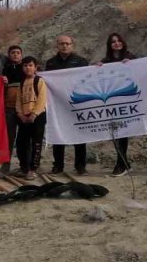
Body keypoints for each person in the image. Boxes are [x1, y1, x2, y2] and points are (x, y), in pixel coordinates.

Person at [45, 35, 90, 175]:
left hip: (77, 103)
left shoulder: (82, 61)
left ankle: (80, 165)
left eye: (67, 43)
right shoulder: (51, 63)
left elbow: (87, 81)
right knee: (58, 133)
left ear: (72, 45)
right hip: (58, 104)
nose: (64, 46)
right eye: (61, 43)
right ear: (57, 45)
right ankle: (58, 165)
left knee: (79, 133)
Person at [98, 33, 137, 177]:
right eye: (113, 41)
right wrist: (97, 67)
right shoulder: (106, 61)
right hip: (111, 102)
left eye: (119, 40)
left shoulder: (130, 57)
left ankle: (121, 164)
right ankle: (124, 163)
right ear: (109, 45)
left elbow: (142, 71)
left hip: (126, 101)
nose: (116, 43)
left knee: (123, 132)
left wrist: (132, 64)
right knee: (115, 133)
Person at [15, 56, 47, 179]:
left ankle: (33, 169)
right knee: (22, 143)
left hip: (38, 117)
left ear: (35, 67)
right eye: (25, 65)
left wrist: (34, 114)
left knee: (36, 143)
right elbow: (18, 101)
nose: (28, 68)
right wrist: (20, 114)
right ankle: (24, 167)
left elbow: (42, 99)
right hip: (24, 117)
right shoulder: (22, 83)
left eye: (30, 65)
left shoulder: (39, 81)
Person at [2, 45, 24, 174]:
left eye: (18, 53)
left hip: (24, 109)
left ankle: (24, 166)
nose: (15, 55)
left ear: (21, 54)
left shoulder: (27, 67)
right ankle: (6, 166)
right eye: (13, 53)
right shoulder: (4, 69)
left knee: (23, 139)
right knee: (8, 139)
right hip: (9, 109)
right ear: (9, 55)